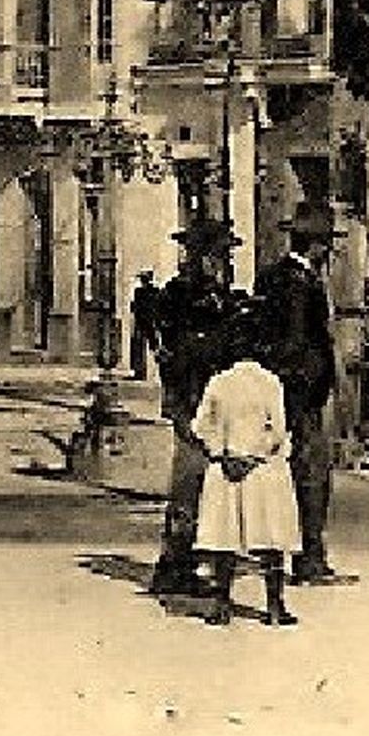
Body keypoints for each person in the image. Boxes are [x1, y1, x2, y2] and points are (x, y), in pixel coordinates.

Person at [251, 204, 351, 587]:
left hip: (283, 392)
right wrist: (307, 388)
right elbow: (294, 342)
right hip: (299, 397)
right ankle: (309, 560)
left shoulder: (272, 276)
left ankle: (285, 554)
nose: (327, 253)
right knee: (311, 476)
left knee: (284, 476)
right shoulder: (298, 283)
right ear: (316, 246)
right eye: (326, 245)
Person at [190, 303, 301, 629]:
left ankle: (221, 603)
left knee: (224, 538)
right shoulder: (270, 383)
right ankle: (275, 605)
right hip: (263, 469)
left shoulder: (219, 382)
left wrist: (224, 453)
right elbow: (278, 429)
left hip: (226, 468)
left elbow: (201, 426)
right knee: (270, 537)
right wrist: (255, 455)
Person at [147, 218, 238, 599]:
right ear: (198, 256)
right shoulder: (179, 295)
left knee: (208, 483)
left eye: (223, 255)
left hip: (211, 396)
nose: (220, 262)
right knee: (188, 480)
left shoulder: (218, 295)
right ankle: (173, 565)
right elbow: (177, 349)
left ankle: (200, 559)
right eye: (216, 254)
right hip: (189, 396)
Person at [128, 270, 160, 381]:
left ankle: (140, 371)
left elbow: (135, 307)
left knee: (139, 346)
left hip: (143, 321)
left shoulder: (139, 292)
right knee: (152, 345)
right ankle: (151, 371)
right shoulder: (155, 291)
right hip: (150, 321)